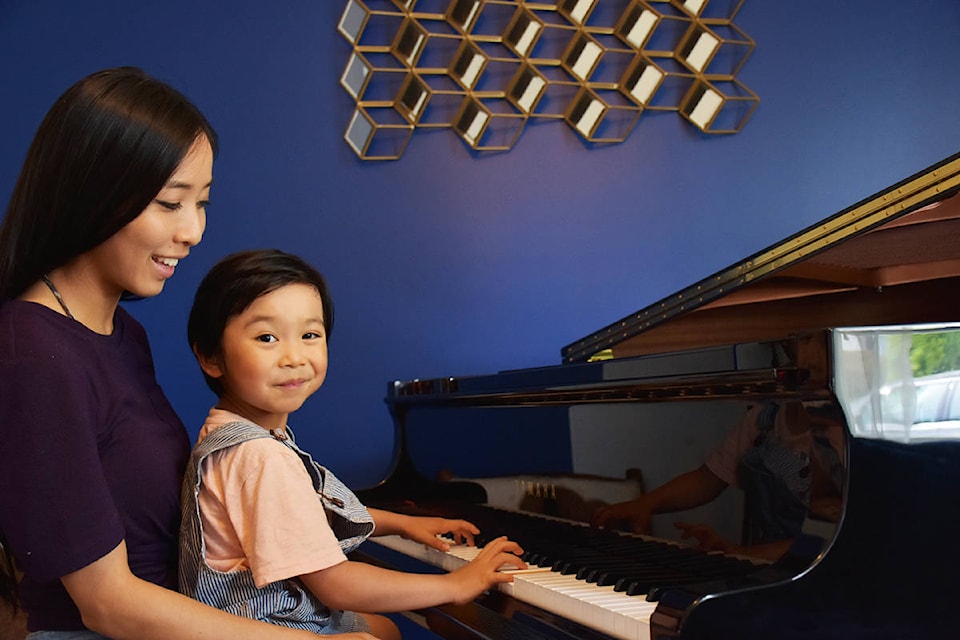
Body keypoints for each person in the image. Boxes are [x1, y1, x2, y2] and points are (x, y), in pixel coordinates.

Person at [0, 67, 374, 640]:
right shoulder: (33, 353)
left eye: (201, 202)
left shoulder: (124, 334)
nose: (194, 231)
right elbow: (108, 605)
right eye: (171, 203)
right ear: (93, 192)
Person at [180, 249, 527, 639]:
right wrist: (456, 585)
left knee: (383, 629)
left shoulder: (230, 434)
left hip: (260, 613)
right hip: (264, 625)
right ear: (212, 357)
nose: (294, 357)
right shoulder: (259, 457)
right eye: (267, 337)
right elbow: (335, 583)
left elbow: (303, 519)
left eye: (310, 334)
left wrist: (402, 523)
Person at [591, 400, 844, 561]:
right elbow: (707, 479)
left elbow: (834, 537)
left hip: (816, 569)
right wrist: (646, 504)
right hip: (762, 563)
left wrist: (741, 552)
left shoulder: (840, 436)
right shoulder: (762, 418)